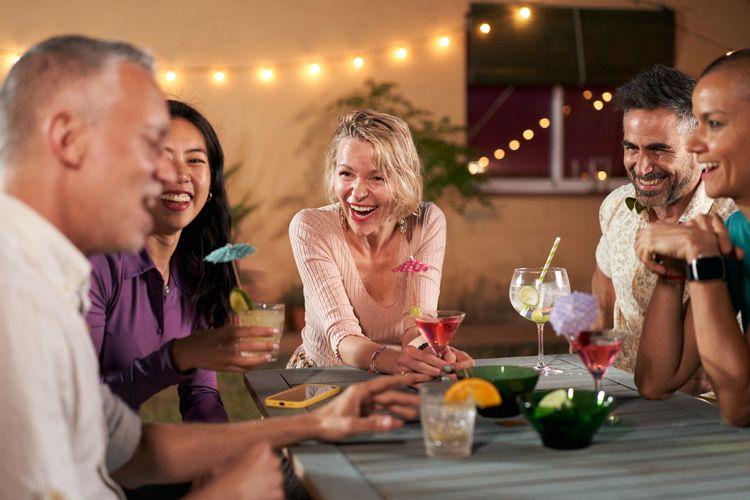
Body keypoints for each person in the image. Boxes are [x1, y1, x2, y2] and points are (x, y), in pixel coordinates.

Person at [0, 35, 419, 499]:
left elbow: (130, 448)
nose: (168, 176)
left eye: (192, 160)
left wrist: (317, 423)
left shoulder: (54, 278)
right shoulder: (15, 298)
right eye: (148, 146)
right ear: (68, 139)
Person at [87, 99, 271, 423]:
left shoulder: (193, 274)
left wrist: (219, 454)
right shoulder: (97, 266)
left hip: (117, 449)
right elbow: (78, 406)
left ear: (211, 183)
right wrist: (175, 357)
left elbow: (200, 395)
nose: (181, 174)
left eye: (195, 160)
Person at [288, 109, 473, 377]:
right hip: (323, 375)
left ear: (403, 180)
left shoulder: (426, 223)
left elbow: (417, 323)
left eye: (377, 177)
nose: (358, 192)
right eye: (346, 174)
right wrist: (399, 362)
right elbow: (342, 335)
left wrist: (432, 353)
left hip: (393, 375)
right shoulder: (312, 227)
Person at [591, 65, 735, 381]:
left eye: (659, 150)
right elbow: (603, 282)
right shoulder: (616, 205)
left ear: (699, 147)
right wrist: (594, 354)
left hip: (706, 408)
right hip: (622, 391)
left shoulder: (731, 221)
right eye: (632, 148)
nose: (641, 167)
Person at [634, 49, 750, 426]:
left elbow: (741, 405)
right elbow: (657, 380)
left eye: (714, 124)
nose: (696, 146)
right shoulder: (736, 233)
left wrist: (702, 264)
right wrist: (672, 272)